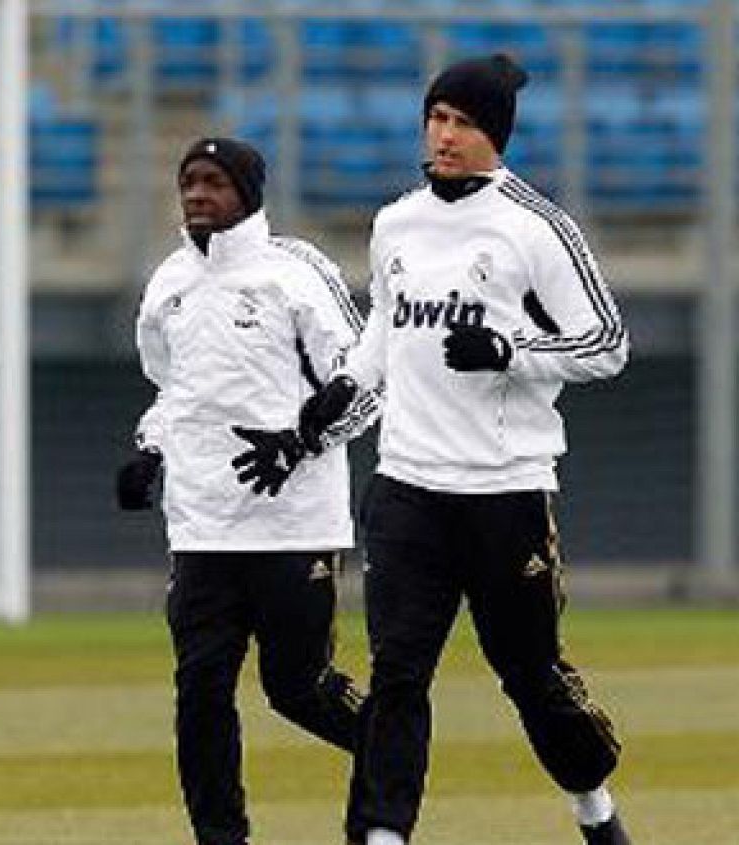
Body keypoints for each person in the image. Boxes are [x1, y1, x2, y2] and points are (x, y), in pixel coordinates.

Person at [297, 54, 632, 845]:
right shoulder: (396, 222)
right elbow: (384, 322)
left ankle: (594, 805)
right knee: (398, 675)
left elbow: (609, 342)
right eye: (437, 118)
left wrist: (510, 349)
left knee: (529, 675)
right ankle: (381, 834)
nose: (443, 135)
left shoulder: (536, 227)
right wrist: (348, 383)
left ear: (496, 135)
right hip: (407, 486)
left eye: (463, 123)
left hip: (506, 491)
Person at [115, 136, 378, 845]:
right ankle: (220, 836)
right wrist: (148, 450)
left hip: (294, 527)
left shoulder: (296, 272)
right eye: (189, 182)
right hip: (201, 528)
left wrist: (301, 443)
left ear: (249, 193)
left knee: (296, 689)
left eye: (214, 182)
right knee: (200, 691)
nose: (198, 194)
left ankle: (392, 750)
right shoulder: (168, 281)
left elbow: (364, 386)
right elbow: (174, 392)